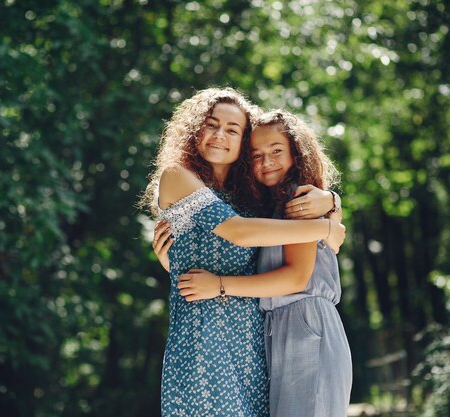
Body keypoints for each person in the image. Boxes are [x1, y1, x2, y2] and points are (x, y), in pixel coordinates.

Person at [140, 87, 345, 417]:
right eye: (211, 124)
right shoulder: (177, 176)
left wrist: (332, 201)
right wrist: (327, 228)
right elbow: (238, 233)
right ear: (194, 130)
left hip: (253, 344)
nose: (220, 135)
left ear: (243, 143)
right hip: (201, 337)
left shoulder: (251, 198)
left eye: (232, 129)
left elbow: (272, 246)